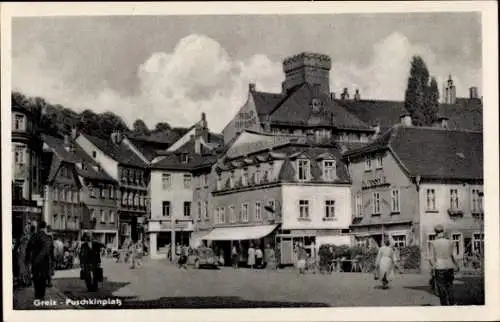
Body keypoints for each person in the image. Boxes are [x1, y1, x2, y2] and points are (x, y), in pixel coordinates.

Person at [429, 224, 460, 306]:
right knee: (450, 286)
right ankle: (452, 304)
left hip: (439, 267)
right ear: (443, 231)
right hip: (449, 266)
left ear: (435, 232)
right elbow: (453, 256)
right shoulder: (450, 242)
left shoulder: (433, 243)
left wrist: (433, 267)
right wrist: (457, 265)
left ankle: (444, 306)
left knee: (441, 289)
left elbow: (431, 258)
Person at [25, 221, 53, 300]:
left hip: (35, 261)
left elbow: (28, 248)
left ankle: (37, 293)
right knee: (43, 278)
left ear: (38, 227)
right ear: (45, 227)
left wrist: (27, 260)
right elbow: (50, 250)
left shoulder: (34, 236)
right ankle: (41, 294)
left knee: (36, 277)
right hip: (44, 262)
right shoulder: (47, 237)